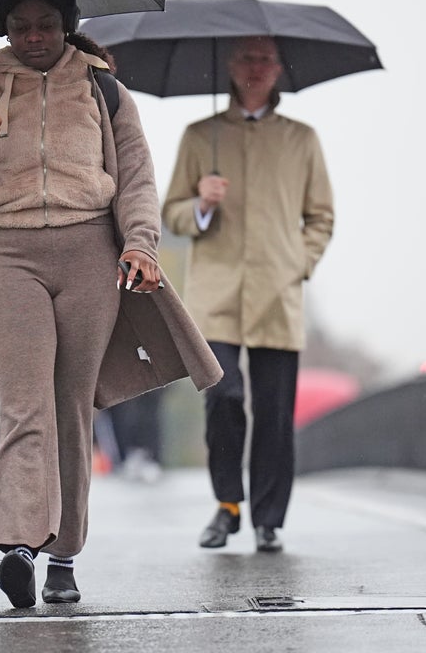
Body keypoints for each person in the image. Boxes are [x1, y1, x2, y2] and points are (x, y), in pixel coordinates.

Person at [0, 0, 221, 608]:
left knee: (70, 409)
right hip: (8, 255)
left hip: (90, 255)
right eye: (21, 25)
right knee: (22, 406)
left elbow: (137, 176)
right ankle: (18, 544)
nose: (34, 37)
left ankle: (64, 554)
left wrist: (141, 243)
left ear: (68, 27)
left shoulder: (103, 90)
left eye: (47, 25)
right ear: (4, 28)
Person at [162, 36, 334, 554]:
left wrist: (296, 264)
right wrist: (201, 204)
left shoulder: (302, 139)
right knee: (225, 396)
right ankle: (227, 505)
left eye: (265, 59)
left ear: (278, 68)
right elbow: (170, 212)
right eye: (246, 58)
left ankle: (268, 519)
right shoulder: (200, 137)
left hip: (278, 296)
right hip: (215, 296)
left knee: (276, 413)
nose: (256, 68)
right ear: (230, 66)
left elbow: (321, 218)